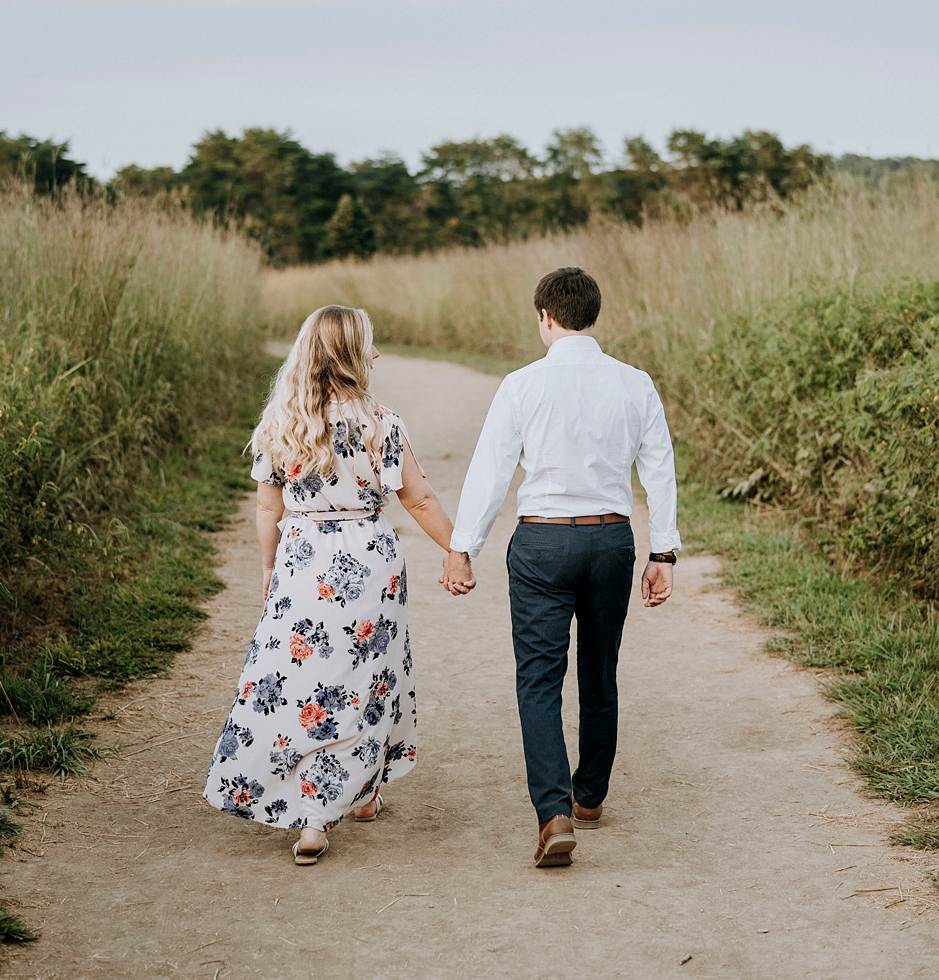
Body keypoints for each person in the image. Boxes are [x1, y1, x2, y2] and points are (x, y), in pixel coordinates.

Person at [203, 305, 474, 865]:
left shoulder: (281, 423)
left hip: (303, 560)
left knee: (304, 683)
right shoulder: (382, 423)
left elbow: (265, 506)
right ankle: (341, 799)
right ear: (352, 356)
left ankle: (322, 814)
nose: (376, 354)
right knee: (367, 678)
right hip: (369, 559)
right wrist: (456, 551)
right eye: (369, 345)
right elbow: (418, 498)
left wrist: (267, 568)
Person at [441, 266, 679, 868]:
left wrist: (462, 545)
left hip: (543, 544)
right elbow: (659, 470)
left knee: (539, 680)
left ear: (545, 317)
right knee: (600, 671)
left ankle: (554, 814)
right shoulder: (634, 383)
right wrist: (663, 553)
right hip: (610, 542)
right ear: (593, 317)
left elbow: (492, 469)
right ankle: (591, 794)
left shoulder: (521, 385)